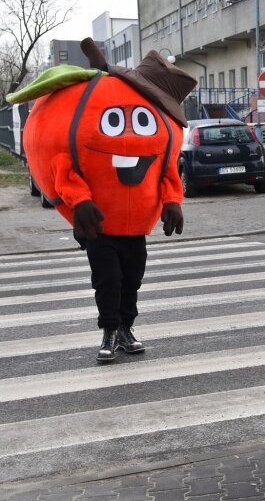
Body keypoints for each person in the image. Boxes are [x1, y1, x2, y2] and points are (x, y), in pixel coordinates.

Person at [6, 38, 196, 362]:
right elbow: (63, 167)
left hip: (136, 228)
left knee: (132, 279)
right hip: (100, 227)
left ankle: (126, 329)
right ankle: (109, 331)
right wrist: (79, 201)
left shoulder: (158, 128)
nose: (130, 137)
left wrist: (172, 202)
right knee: (108, 280)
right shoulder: (93, 106)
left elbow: (166, 173)